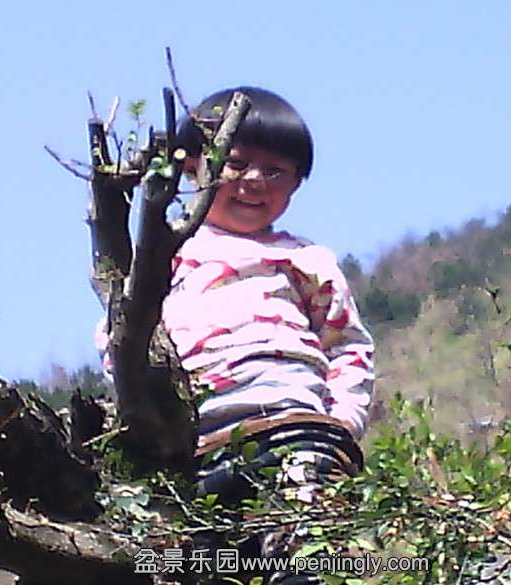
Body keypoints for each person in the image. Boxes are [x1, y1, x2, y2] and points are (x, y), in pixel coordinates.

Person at [96, 86, 374, 581]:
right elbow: (120, 338)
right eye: (236, 164)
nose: (254, 181)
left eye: (275, 171)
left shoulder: (304, 259)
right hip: (195, 442)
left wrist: (342, 425)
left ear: (296, 184)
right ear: (192, 168)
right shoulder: (164, 258)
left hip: (291, 425)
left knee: (301, 556)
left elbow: (347, 344)